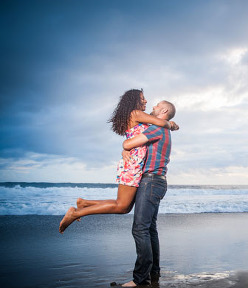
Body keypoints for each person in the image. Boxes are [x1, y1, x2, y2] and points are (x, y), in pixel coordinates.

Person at [59, 89, 178, 233]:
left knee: (125, 207)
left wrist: (126, 148)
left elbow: (135, 138)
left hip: (135, 162)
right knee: (121, 206)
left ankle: (84, 203)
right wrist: (170, 124)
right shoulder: (136, 113)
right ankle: (76, 213)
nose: (146, 101)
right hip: (134, 163)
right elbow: (160, 122)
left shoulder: (137, 116)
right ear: (134, 100)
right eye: (142, 98)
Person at [120, 100, 176, 287]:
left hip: (151, 181)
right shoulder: (164, 130)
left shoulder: (156, 129)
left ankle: (140, 279)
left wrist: (124, 147)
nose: (152, 107)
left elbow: (129, 143)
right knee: (150, 229)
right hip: (157, 182)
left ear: (164, 110)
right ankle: (153, 272)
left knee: (140, 229)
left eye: (156, 106)